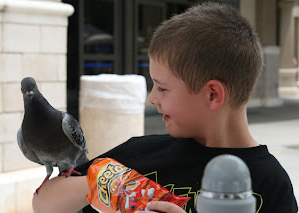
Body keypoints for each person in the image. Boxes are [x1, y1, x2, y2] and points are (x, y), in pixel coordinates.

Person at [32, 3, 298, 213]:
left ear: (213, 94)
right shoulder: (139, 154)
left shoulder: (270, 184)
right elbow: (43, 204)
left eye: (162, 87)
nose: (152, 98)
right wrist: (111, 184)